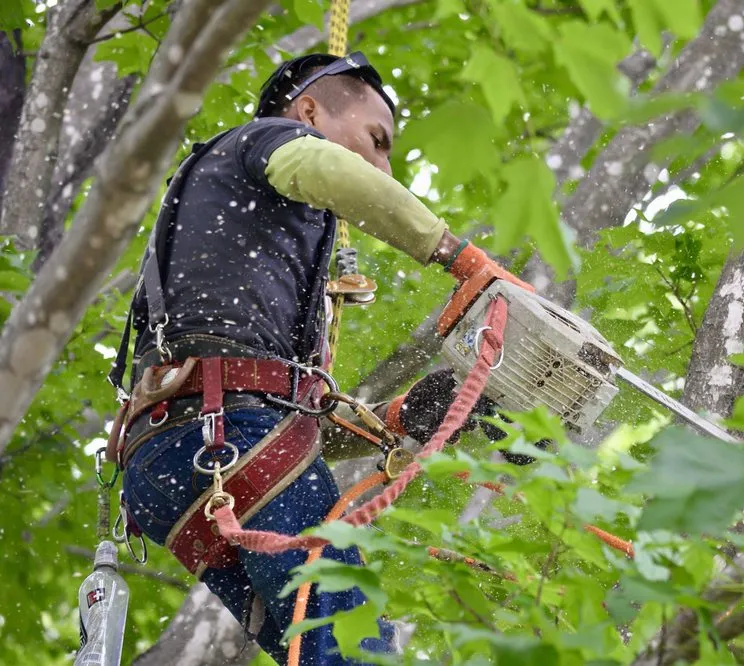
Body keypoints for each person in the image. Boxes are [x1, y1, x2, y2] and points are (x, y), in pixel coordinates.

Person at [108, 51, 531, 665]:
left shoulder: (240, 245)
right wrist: (459, 257)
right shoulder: (263, 140)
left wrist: (404, 417)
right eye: (377, 141)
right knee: (355, 652)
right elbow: (324, 167)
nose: (383, 167)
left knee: (321, 653)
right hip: (224, 434)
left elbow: (282, 416)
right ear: (308, 112)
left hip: (175, 458)